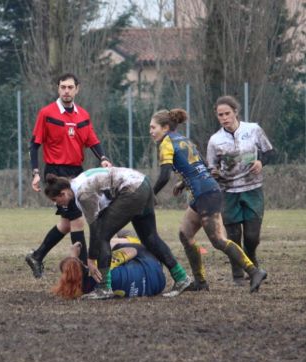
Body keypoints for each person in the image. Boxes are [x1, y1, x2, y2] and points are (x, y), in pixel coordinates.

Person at [150, 108, 267, 293]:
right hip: (205, 192)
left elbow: (164, 175)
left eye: (153, 127)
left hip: (206, 194)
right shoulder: (183, 139)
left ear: (165, 127)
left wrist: (151, 194)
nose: (151, 131)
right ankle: (201, 282)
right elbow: (201, 166)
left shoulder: (166, 143)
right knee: (185, 234)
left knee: (218, 240)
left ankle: (254, 272)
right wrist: (183, 183)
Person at [43, 168, 192, 300]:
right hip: (142, 183)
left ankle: (104, 287)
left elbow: (95, 229)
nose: (57, 204)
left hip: (131, 190)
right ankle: (181, 277)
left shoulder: (83, 194)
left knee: (102, 235)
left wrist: (91, 258)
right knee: (149, 238)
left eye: (56, 200)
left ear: (63, 193)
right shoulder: (77, 183)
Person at [26, 72, 111, 279]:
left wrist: (103, 158)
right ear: (58, 89)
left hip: (77, 173)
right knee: (77, 219)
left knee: (66, 223)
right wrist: (36, 173)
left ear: (77, 89)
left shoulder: (83, 115)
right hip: (56, 173)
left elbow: (92, 140)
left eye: (70, 87)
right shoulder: (47, 113)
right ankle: (82, 269)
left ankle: (37, 256)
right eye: (63, 87)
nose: (66, 91)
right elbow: (34, 144)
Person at [207, 96, 275, 285]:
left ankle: (251, 259)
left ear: (235, 112)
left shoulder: (253, 129)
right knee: (234, 235)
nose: (224, 118)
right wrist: (215, 173)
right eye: (220, 115)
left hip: (252, 189)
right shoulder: (214, 140)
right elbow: (211, 166)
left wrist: (261, 161)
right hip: (228, 192)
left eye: (227, 113)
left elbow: (269, 152)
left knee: (252, 237)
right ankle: (238, 274)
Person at [53, 237, 167, 300]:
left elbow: (73, 272)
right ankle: (127, 238)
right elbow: (133, 251)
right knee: (108, 242)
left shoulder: (82, 291)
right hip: (152, 266)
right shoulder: (99, 266)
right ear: (83, 265)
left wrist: (74, 258)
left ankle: (123, 237)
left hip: (157, 287)